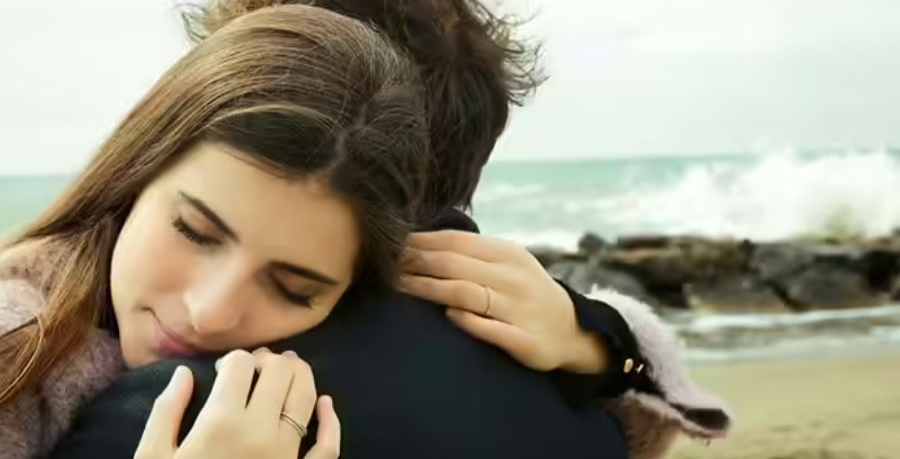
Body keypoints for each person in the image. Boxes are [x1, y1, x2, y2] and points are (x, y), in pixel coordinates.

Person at [2, 1, 731, 458]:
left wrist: (594, 340)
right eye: (194, 230)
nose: (210, 311)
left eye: (295, 285)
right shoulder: (22, 337)